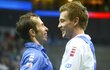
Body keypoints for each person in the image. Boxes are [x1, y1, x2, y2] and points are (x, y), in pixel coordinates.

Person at [58, 1, 96, 70]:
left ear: (75, 21)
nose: (59, 25)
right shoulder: (86, 43)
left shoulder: (76, 43)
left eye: (62, 21)